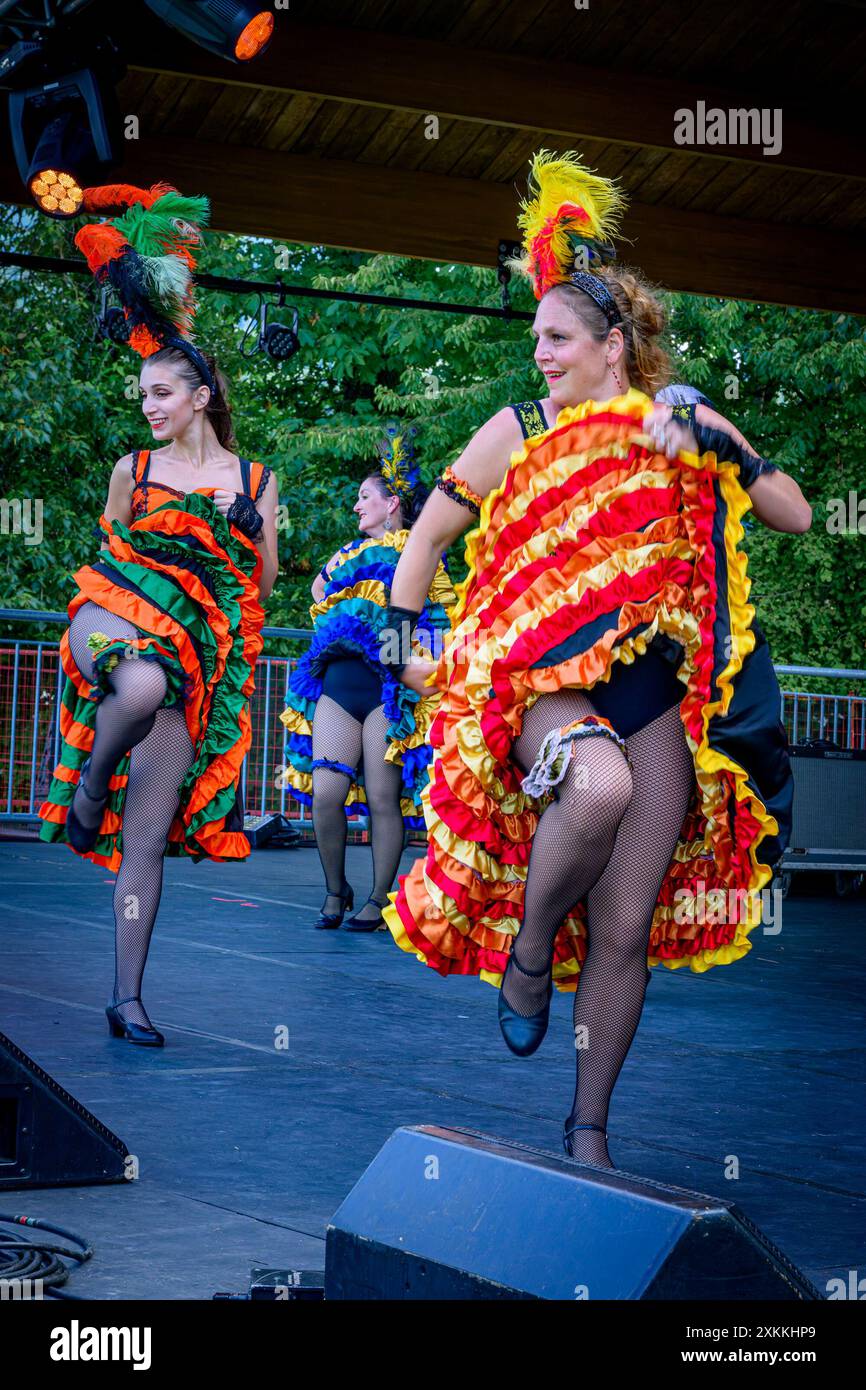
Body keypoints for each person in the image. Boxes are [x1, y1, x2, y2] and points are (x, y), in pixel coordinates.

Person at [380, 150, 811, 1170]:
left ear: (612, 345)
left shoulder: (678, 421)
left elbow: (790, 512)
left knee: (623, 927)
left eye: (556, 337)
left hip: (651, 682)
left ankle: (586, 1134)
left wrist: (723, 444)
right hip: (543, 677)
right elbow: (422, 546)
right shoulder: (516, 430)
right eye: (534, 337)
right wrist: (407, 647)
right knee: (600, 784)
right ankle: (528, 956)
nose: (539, 354)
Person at [39, 182, 278, 1046]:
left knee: (146, 838)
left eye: (163, 394)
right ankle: (90, 781)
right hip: (107, 622)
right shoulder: (133, 469)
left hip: (192, 661)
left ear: (202, 397)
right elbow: (106, 559)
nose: (149, 405)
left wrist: (249, 534)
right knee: (135, 683)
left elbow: (265, 587)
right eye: (144, 394)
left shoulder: (256, 482)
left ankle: (127, 995)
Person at [277, 427, 455, 930]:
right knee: (327, 791)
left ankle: (379, 899)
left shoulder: (422, 552)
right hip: (337, 684)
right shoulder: (344, 556)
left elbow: (439, 620)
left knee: (382, 797)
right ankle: (336, 888)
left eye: (364, 497)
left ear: (391, 502)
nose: (356, 506)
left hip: (387, 691)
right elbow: (318, 595)